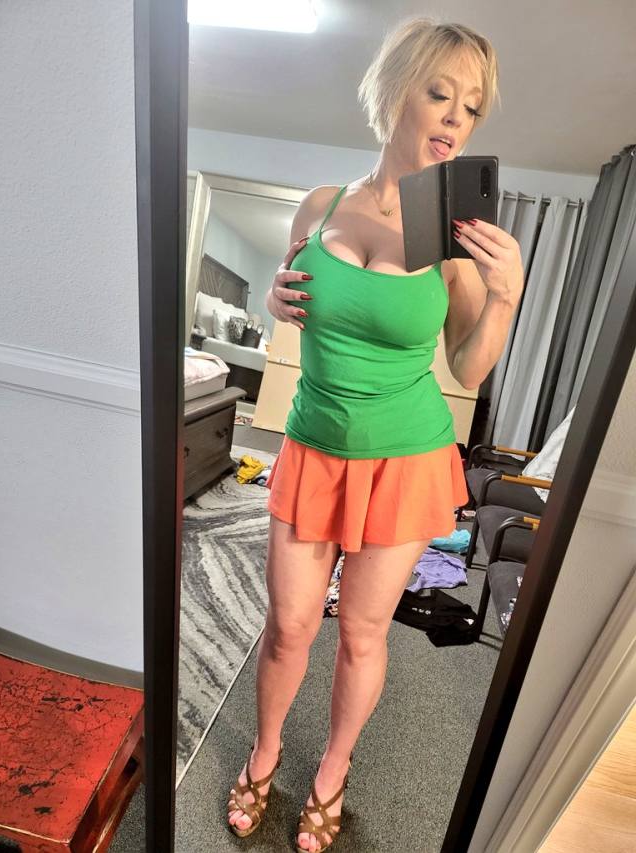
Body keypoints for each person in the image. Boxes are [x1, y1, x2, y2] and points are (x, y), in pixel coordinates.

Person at [226, 16, 523, 852]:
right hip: (313, 444)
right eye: (440, 93)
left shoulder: (453, 239)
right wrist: (272, 299)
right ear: (394, 91)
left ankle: (331, 774)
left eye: (471, 107)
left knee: (360, 633)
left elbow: (467, 365)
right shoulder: (320, 204)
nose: (455, 118)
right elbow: (292, 294)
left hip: (404, 457)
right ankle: (264, 753)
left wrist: (505, 294)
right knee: (289, 624)